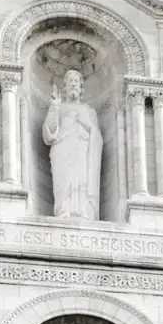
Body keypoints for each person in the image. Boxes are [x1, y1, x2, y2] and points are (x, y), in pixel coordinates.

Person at [43, 69, 102, 219]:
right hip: (62, 149)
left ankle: (83, 211)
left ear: (81, 87)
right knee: (63, 180)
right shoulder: (60, 106)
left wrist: (87, 124)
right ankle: (63, 210)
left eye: (76, 82)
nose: (73, 85)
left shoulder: (89, 111)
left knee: (81, 179)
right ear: (65, 86)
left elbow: (97, 137)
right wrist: (54, 107)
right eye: (70, 82)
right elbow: (50, 132)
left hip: (82, 150)